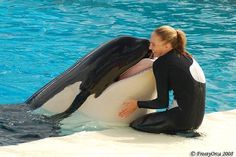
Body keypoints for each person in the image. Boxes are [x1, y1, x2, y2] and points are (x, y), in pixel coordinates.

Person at [118, 25, 206, 135]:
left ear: (167, 46)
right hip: (197, 120)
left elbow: (162, 103)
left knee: (136, 124)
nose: (150, 47)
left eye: (153, 44)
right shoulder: (187, 57)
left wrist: (136, 104)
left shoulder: (162, 63)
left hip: (180, 120)